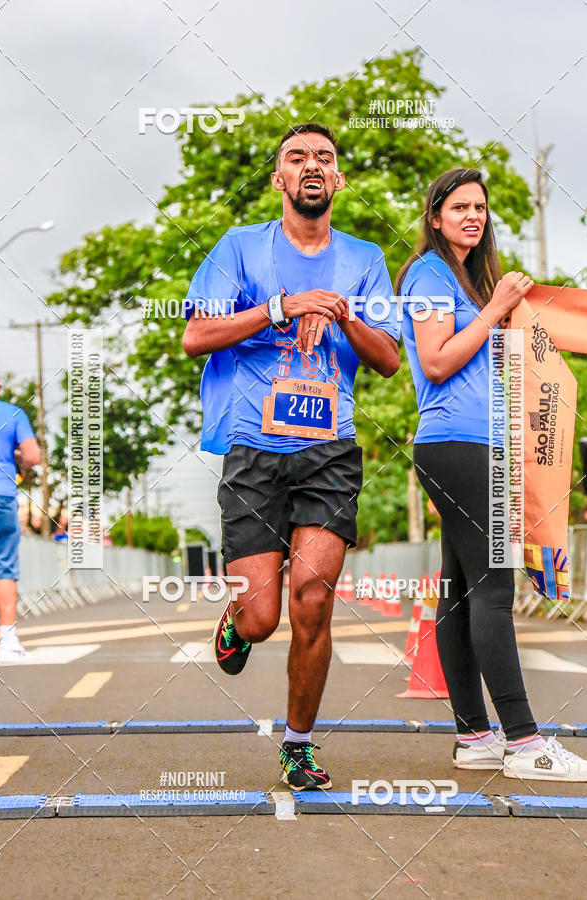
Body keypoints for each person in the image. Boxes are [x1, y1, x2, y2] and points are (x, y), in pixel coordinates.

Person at [182, 123, 400, 790]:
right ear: (279, 179)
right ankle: (240, 622)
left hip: (328, 449)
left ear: (337, 181)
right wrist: (280, 306)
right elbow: (197, 335)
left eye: (324, 159)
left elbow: (389, 359)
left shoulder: (363, 259)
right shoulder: (241, 248)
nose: (311, 166)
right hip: (253, 450)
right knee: (265, 613)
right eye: (296, 157)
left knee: (311, 600)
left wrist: (341, 314)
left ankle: (298, 743)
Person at [397, 168, 587, 782]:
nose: (472, 216)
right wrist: (499, 309)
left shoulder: (464, 280)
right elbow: (434, 363)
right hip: (459, 445)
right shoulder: (429, 275)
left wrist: (502, 311)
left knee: (459, 594)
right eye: (459, 207)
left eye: (480, 207)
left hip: (470, 444)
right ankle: (524, 742)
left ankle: (475, 736)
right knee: (493, 591)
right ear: (435, 216)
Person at [0, 377, 41, 663]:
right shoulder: (13, 413)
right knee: (4, 566)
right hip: (2, 496)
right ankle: (8, 639)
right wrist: (16, 460)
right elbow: (33, 456)